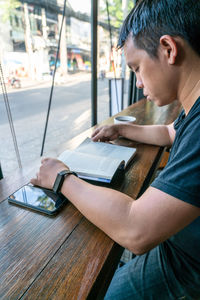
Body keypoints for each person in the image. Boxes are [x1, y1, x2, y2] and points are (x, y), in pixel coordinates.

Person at [31, 0, 200, 298]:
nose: (138, 81)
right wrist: (121, 129)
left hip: (188, 264)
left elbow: (136, 229)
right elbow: (171, 132)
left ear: (169, 49)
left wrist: (62, 178)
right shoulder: (194, 109)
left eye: (137, 67)